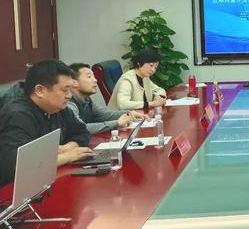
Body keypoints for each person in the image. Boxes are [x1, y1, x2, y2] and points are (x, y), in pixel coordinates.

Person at [0, 59, 93, 187]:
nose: (69, 96)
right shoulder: (17, 115)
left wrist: (66, 147)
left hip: (47, 179)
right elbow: (20, 165)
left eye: (70, 90)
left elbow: (82, 133)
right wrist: (67, 156)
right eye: (65, 90)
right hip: (12, 189)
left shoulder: (58, 108)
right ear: (40, 90)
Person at [68, 63, 145, 134]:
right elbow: (80, 127)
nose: (95, 80)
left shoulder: (86, 100)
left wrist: (129, 113)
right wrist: (117, 123)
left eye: (94, 77)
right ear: (74, 82)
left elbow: (106, 115)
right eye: (89, 77)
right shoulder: (68, 103)